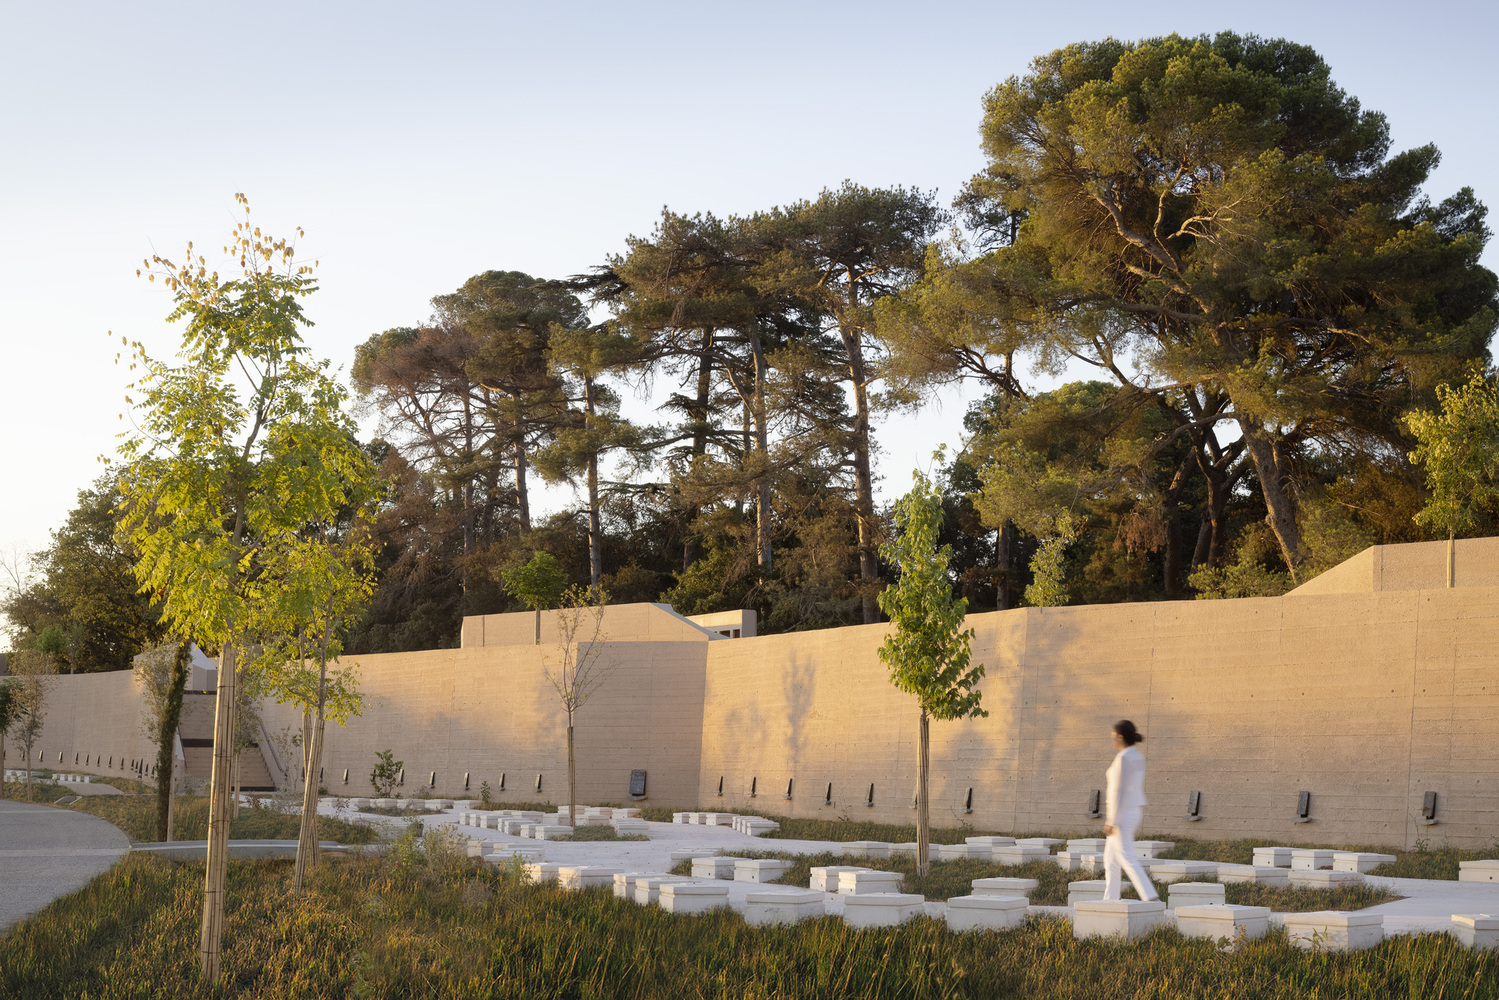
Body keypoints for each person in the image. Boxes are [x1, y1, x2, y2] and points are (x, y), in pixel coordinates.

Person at [1102, 719, 1158, 902]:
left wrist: (1112, 821)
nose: (1112, 740)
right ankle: (1110, 900)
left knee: (1126, 857)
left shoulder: (1123, 758)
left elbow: (1119, 791)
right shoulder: (1138, 757)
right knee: (1110, 860)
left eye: (1113, 736)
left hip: (1122, 814)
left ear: (1120, 737)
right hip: (1133, 811)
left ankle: (1150, 897)